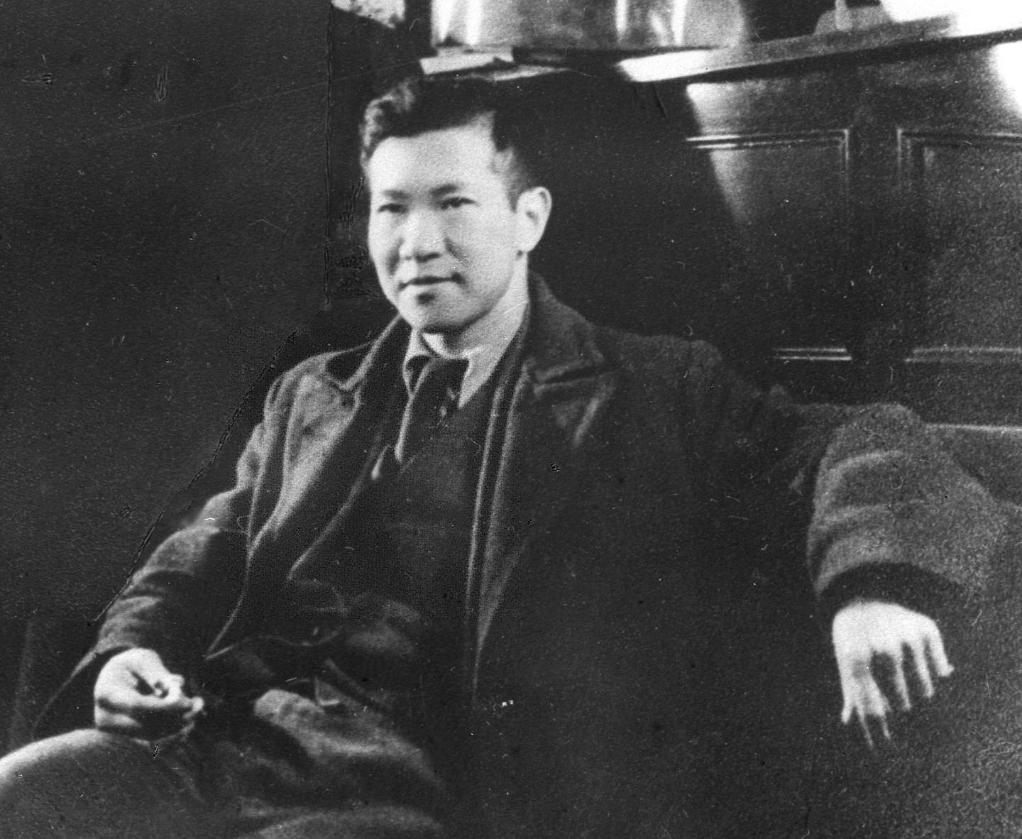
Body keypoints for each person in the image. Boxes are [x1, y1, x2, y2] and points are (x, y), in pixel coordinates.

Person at [0, 75, 1006, 838]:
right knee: (21, 794)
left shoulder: (655, 386)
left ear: (529, 219)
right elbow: (207, 544)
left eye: (453, 202)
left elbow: (860, 435)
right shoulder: (312, 391)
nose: (416, 242)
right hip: (232, 740)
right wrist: (133, 647)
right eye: (391, 207)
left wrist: (871, 587)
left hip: (429, 795)